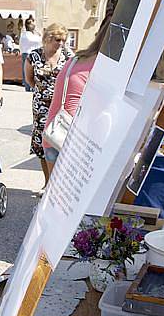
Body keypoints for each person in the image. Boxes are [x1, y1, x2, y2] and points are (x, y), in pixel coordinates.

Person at [42, 15, 111, 174]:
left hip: (54, 132)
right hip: (73, 139)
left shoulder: (77, 58)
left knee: (55, 194)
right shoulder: (101, 65)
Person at [25, 22, 73, 188]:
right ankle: (48, 182)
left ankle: (59, 183)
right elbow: (29, 79)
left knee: (60, 142)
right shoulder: (34, 56)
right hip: (41, 107)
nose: (60, 43)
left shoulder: (68, 56)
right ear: (48, 38)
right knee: (42, 144)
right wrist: (43, 91)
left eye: (63, 40)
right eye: (57, 39)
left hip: (61, 107)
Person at [19, 17, 41, 90]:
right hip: (27, 53)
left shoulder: (33, 34)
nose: (34, 25)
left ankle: (32, 86)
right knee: (27, 70)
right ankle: (28, 86)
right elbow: (36, 40)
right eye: (32, 23)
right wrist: (38, 35)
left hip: (33, 53)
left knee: (34, 70)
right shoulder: (26, 34)